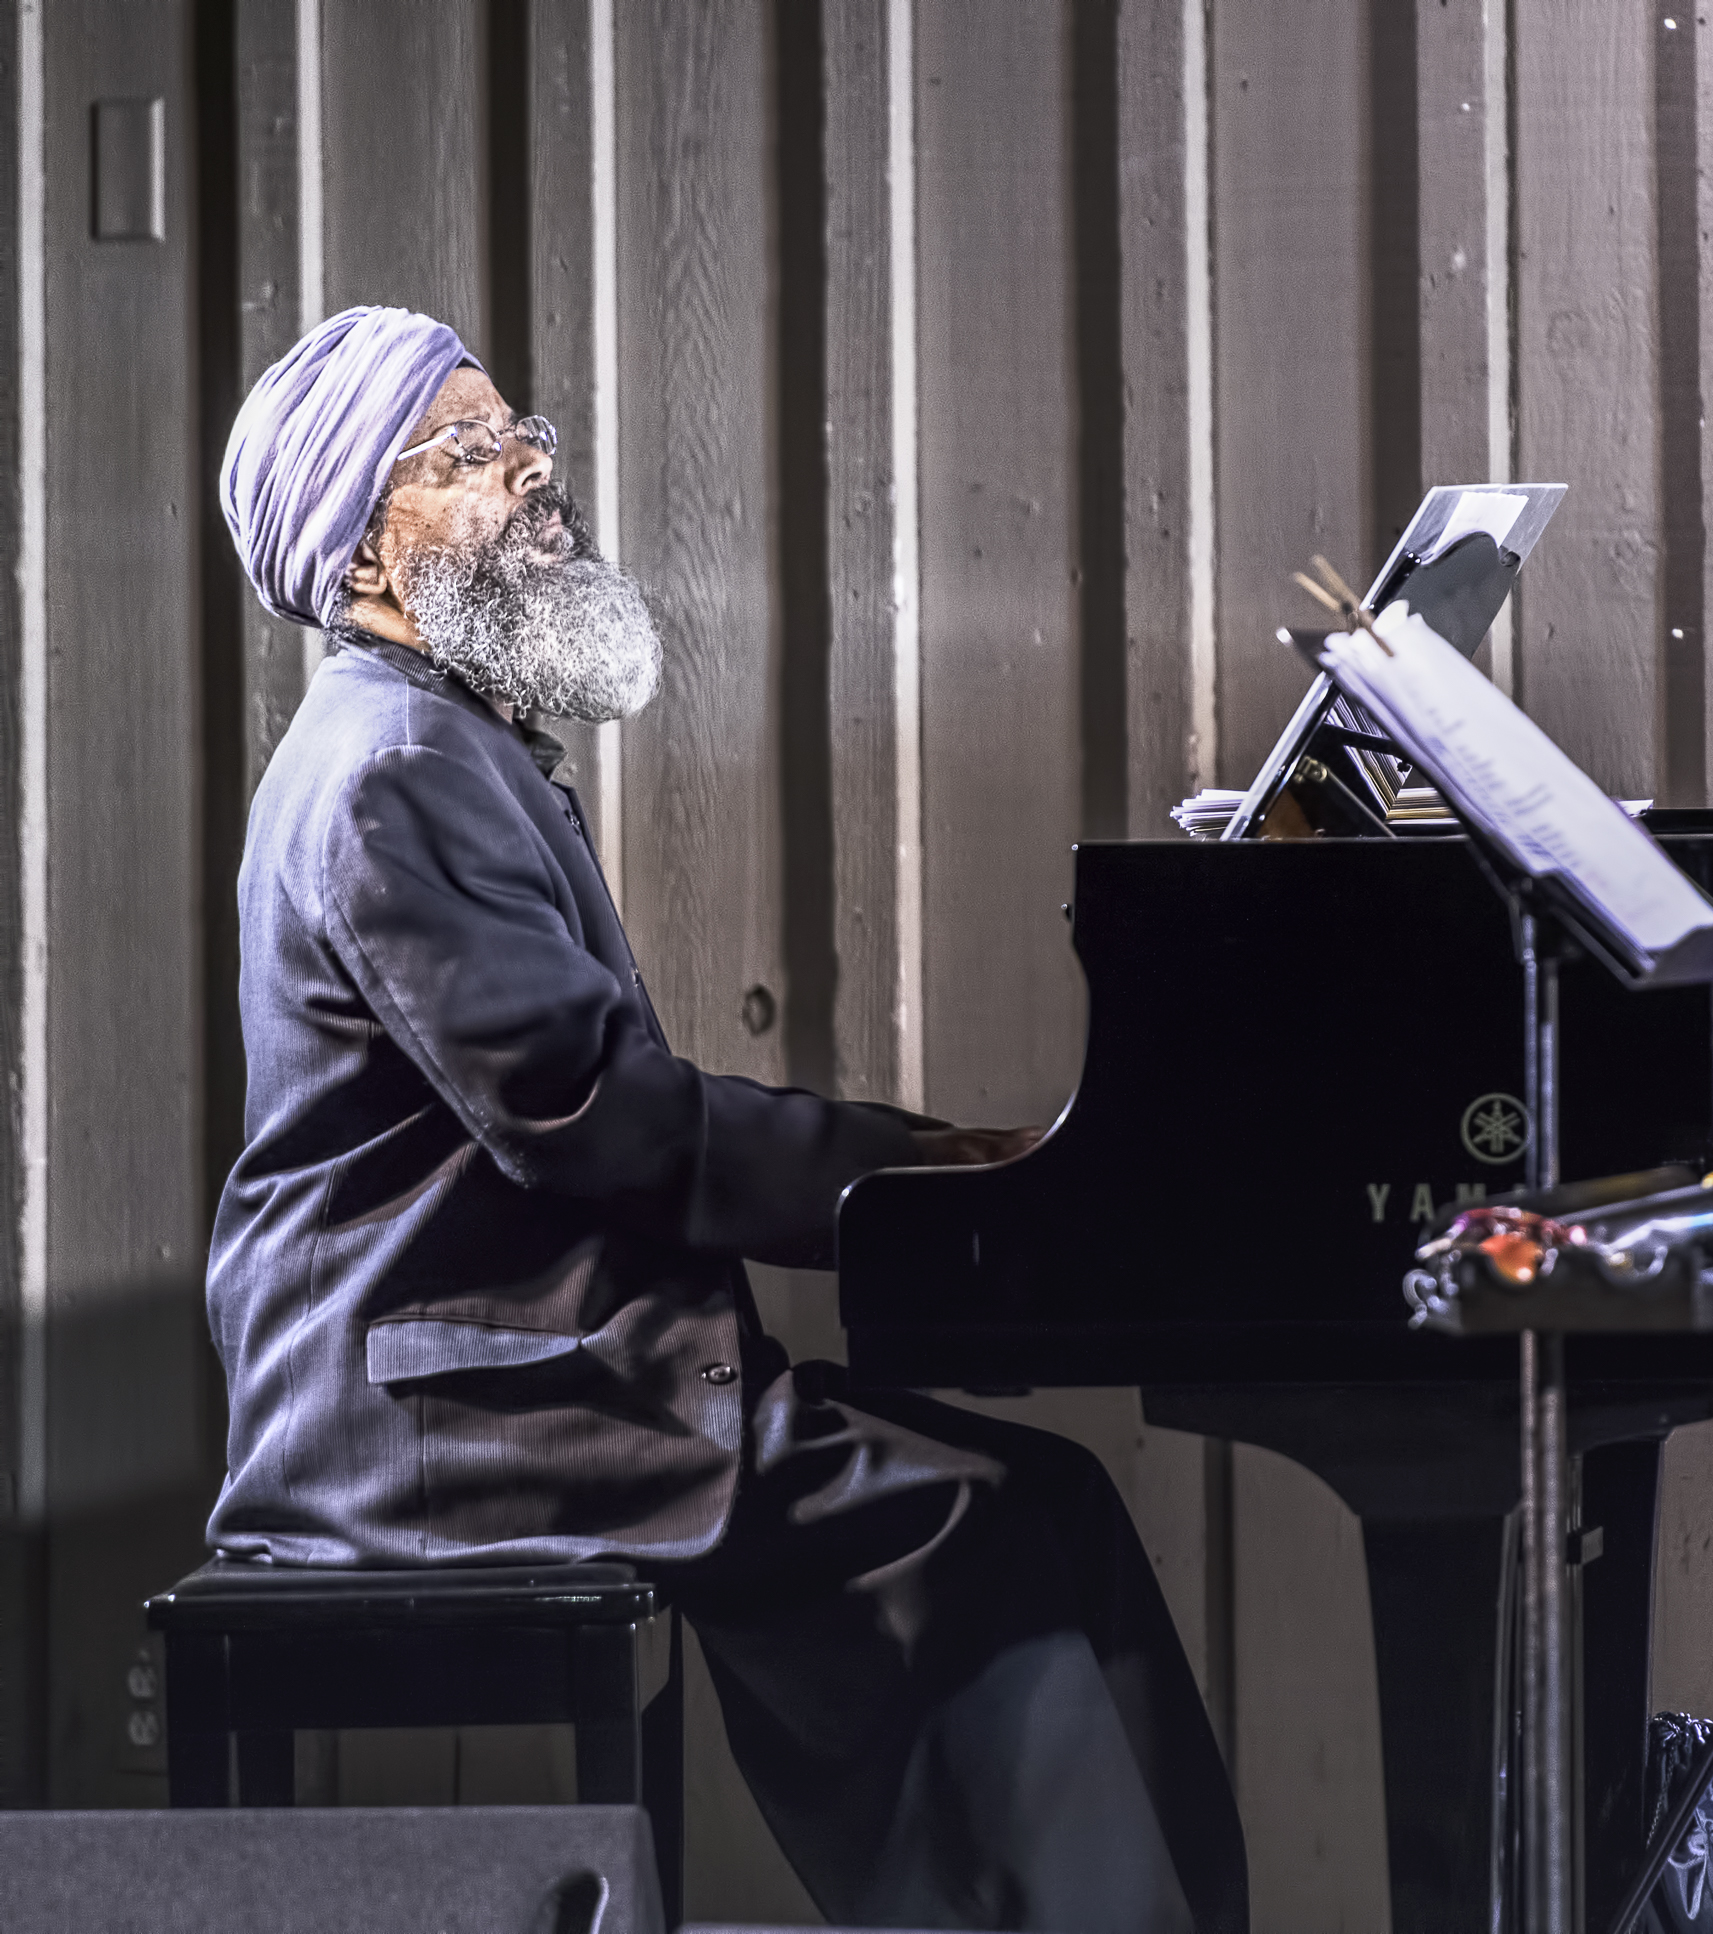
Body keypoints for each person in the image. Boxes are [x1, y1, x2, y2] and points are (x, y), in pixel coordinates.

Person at [210, 305, 1245, 1932]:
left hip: (527, 1368)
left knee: (1048, 1499)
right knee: (968, 1524)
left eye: (520, 432)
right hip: (445, 1411)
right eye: (469, 456)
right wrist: (927, 1165)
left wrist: (940, 1166)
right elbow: (598, 1121)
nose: (534, 473)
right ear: (362, 560)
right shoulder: (386, 768)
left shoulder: (438, 742)